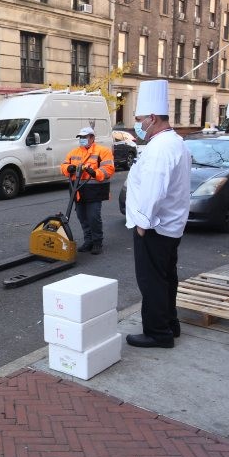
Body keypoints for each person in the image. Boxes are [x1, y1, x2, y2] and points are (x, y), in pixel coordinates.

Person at [124, 80, 191, 349]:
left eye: (140, 119)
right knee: (166, 278)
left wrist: (143, 224)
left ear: (152, 118)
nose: (138, 124)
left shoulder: (160, 148)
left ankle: (157, 332)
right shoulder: (175, 143)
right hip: (169, 226)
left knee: (151, 281)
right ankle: (169, 324)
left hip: (155, 228)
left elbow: (154, 190)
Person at [60, 126, 115, 255]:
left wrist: (94, 172)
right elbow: (63, 165)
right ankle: (88, 241)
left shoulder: (103, 151)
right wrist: (69, 169)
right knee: (82, 216)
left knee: (93, 217)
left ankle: (97, 242)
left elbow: (109, 169)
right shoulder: (74, 152)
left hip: (94, 190)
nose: (82, 140)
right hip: (77, 191)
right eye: (80, 138)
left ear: (92, 138)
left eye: (84, 137)